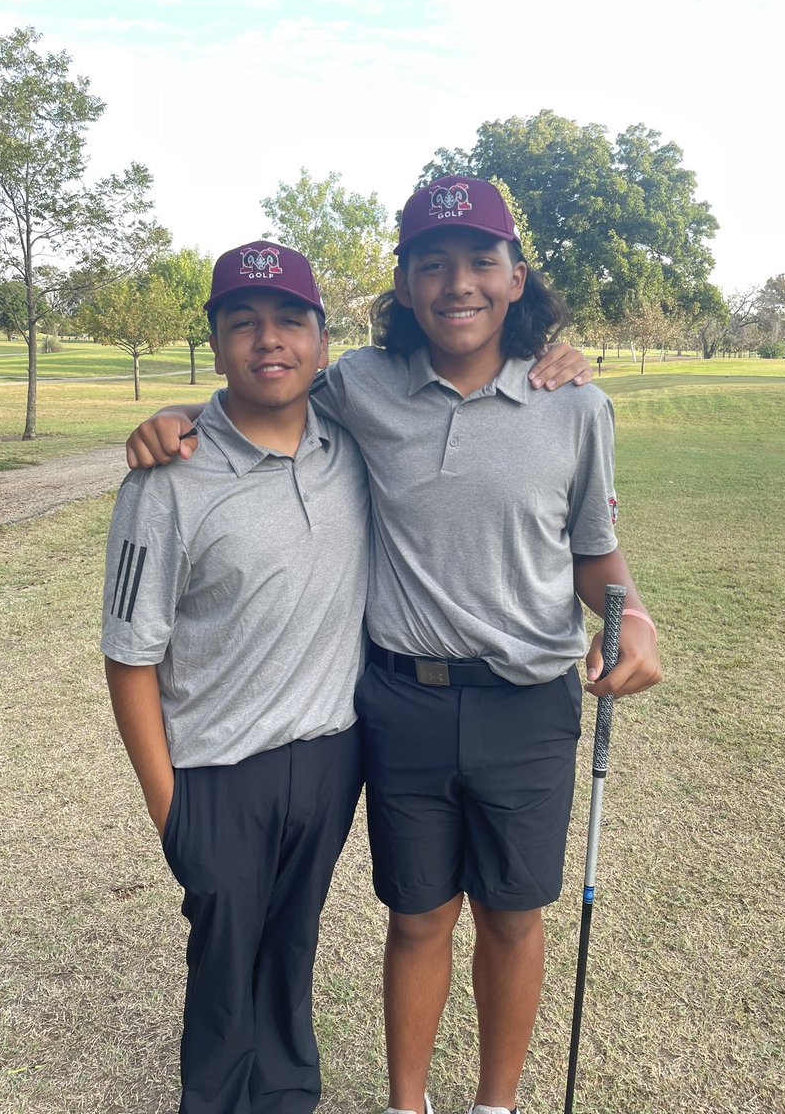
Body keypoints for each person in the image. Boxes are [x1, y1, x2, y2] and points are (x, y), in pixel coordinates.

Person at [124, 176, 659, 1114]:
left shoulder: (576, 405)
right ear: (404, 286)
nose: (459, 284)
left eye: (480, 261)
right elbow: (263, 381)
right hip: (401, 699)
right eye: (431, 265)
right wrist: (176, 420)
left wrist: (637, 615)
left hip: (530, 700)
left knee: (512, 914)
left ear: (516, 276)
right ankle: (405, 1107)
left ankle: (494, 1106)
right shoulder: (359, 384)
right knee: (417, 918)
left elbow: (594, 549)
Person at [101, 241, 370, 1114]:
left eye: (291, 320)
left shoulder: (352, 444)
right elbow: (129, 651)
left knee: (293, 947)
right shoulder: (167, 478)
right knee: (222, 969)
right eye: (242, 323)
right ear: (214, 344)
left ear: (323, 342)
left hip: (331, 757)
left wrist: (553, 356)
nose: (269, 341)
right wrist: (169, 806)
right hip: (216, 772)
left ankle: (290, 1094)